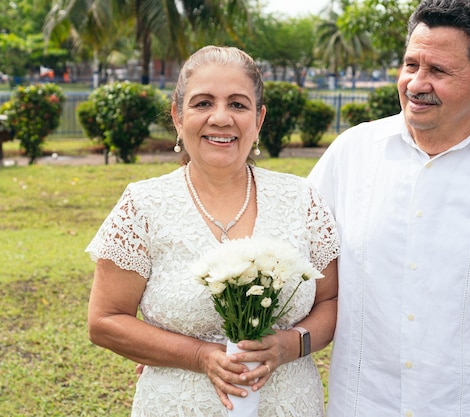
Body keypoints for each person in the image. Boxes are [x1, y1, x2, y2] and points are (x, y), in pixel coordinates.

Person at [307, 0, 470, 416]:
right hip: (364, 405)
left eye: (438, 71)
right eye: (411, 65)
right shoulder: (352, 153)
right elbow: (293, 260)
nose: (416, 83)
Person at [86, 45, 339, 417]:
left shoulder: (302, 199)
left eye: (238, 104)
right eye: (203, 103)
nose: (221, 118)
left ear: (259, 119)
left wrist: (289, 345)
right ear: (177, 115)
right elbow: (105, 322)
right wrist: (201, 356)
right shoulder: (142, 205)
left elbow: (330, 302)